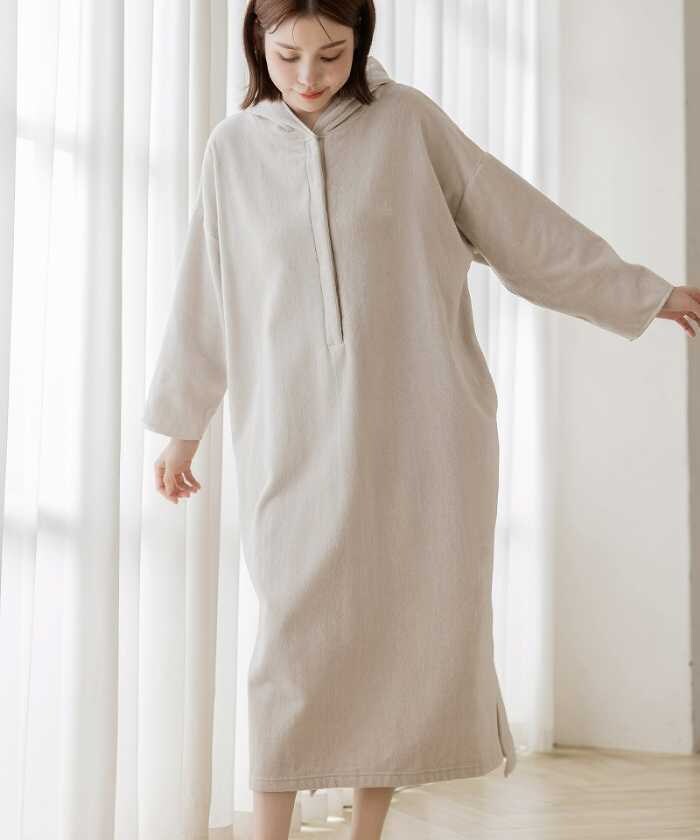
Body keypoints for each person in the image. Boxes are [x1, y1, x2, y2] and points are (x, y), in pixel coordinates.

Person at [143, 2, 699, 839]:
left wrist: (644, 294)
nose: (309, 76)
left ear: (360, 40)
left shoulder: (408, 125)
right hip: (291, 440)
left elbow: (519, 225)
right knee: (291, 649)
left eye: (332, 54)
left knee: (401, 640)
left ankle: (367, 832)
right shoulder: (233, 150)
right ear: (258, 43)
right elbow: (207, 295)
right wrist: (182, 428)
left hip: (423, 434)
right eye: (288, 56)